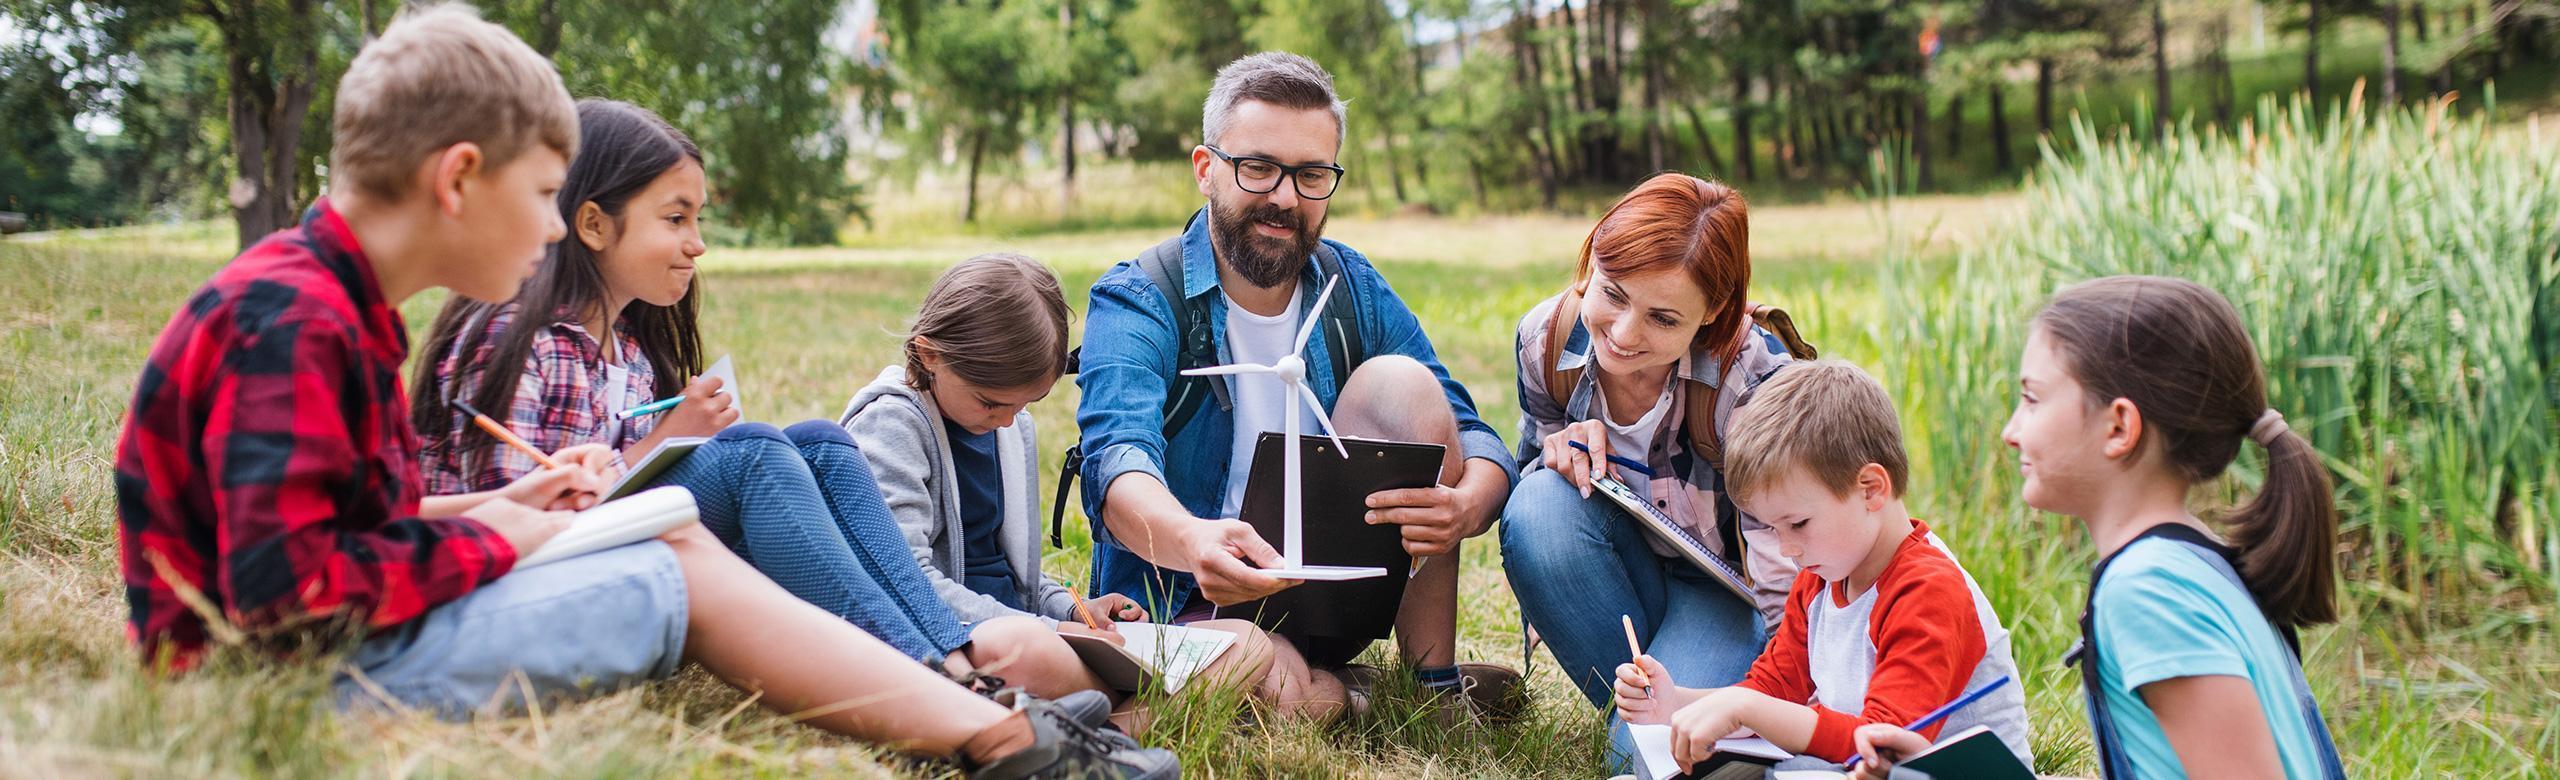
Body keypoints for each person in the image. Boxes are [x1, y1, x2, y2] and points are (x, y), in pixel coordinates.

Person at [111, 7, 1172, 777]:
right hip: (274, 694)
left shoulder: (326, 306)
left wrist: (501, 506)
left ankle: (984, 717)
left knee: (675, 535)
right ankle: (996, 736)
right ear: (457, 180)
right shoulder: (294, 322)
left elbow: (350, 528)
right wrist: (508, 540)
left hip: (319, 652)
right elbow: (287, 596)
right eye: (536, 195)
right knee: (672, 570)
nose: (543, 227)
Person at [412, 98, 1112, 705]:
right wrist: (664, 444)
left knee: (817, 441)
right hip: (518, 588)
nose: (699, 244)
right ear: (595, 225)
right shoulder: (520, 341)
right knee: (751, 456)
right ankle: (935, 676)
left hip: (616, 553)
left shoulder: (623, 348)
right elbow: (515, 524)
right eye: (676, 219)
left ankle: (951, 656)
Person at [1073, 51, 1522, 722]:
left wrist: (1466, 507)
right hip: (1186, 599)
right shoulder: (1141, 297)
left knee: (1406, 384)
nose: (1284, 197)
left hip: (1332, 596)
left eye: (1311, 175)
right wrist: (1196, 541)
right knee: (1286, 697)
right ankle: (1349, 693)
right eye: (1258, 168)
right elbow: (1116, 466)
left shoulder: (1352, 286)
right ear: (1207, 169)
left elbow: (1472, 431)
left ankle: (1429, 685)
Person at [1851, 276, 2346, 779]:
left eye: (2033, 398)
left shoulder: (2150, 591)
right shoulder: (2197, 562)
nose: (2011, 431)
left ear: (2118, 428)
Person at [841, 252, 1275, 704]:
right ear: (931, 354)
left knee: (1247, 645)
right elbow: (902, 584)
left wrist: (1073, 609)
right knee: (1027, 654)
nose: (1008, 422)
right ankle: (1114, 712)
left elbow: (1009, 573)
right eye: (991, 403)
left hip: (1032, 632)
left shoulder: (1006, 429)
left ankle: (1109, 722)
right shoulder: (891, 427)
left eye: (1025, 404)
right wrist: (1050, 629)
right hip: (960, 641)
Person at [1496, 173, 1802, 766]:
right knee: (1537, 502)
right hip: (1619, 569)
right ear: (1591, 262)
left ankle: (1674, 743)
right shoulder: (1546, 340)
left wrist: (1782, 703)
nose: (1624, 334)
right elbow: (1531, 496)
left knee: (1654, 758)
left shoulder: (1753, 380)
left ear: (1711, 313)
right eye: (1612, 294)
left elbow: (1789, 578)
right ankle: (1667, 733)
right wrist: (1557, 456)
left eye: (1664, 319)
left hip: (1729, 597)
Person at [1612, 360, 2031, 771]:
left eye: (1797, 523)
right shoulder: (1821, 578)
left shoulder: (1928, 591)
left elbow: (1885, 744)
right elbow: (1775, 689)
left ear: (1870, 490)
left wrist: (1748, 708)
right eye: (1774, 528)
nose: (1787, 548)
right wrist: (1676, 703)